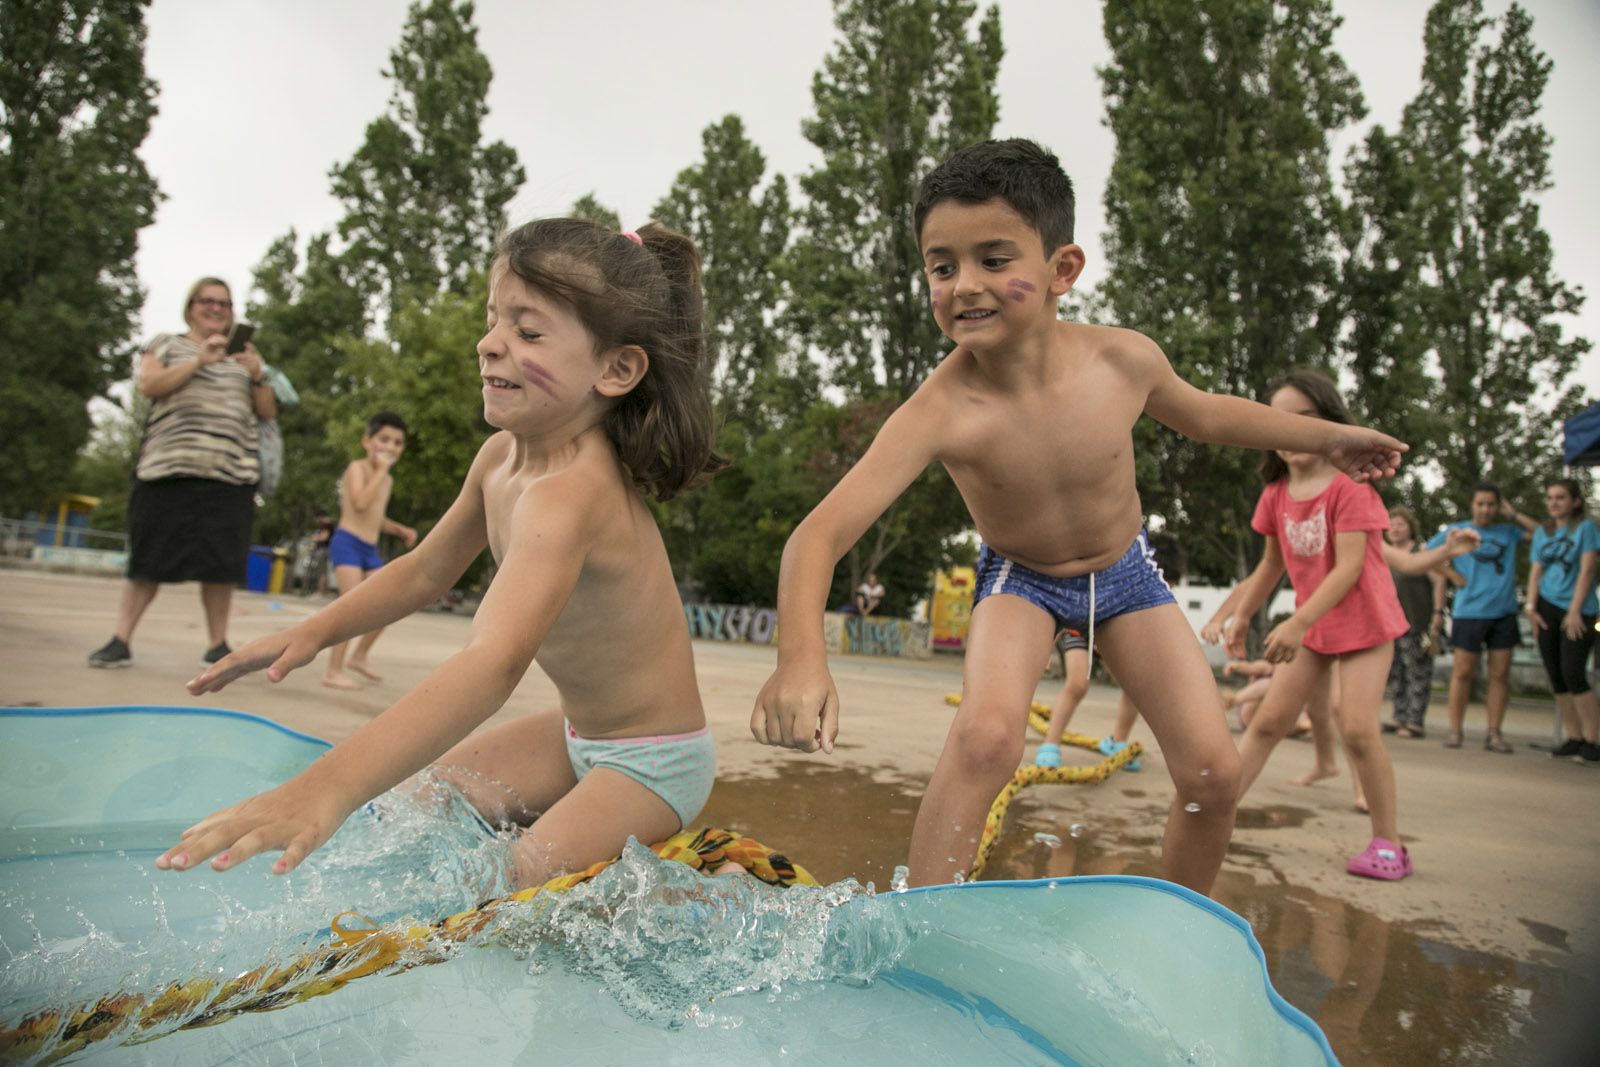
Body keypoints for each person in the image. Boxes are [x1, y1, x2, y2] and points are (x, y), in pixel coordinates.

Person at [749, 139, 1407, 894]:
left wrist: (1332, 438)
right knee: (990, 738)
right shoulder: (940, 408)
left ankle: (1179, 917)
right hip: (1020, 580)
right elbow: (818, 535)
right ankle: (921, 923)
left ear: (1063, 269)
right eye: (941, 266)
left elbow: (1215, 416)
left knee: (1212, 770)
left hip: (1125, 575)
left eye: (995, 260)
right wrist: (800, 657)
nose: (964, 285)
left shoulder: (1121, 362)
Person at [157, 220, 730, 889]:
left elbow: (492, 663)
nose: (490, 344)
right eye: (493, 320)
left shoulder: (571, 495)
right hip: (577, 736)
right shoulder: (500, 459)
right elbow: (427, 569)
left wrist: (325, 786)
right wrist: (311, 631)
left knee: (504, 884)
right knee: (415, 803)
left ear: (617, 368)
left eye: (528, 330)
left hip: (651, 763)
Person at [1221, 371, 1474, 881]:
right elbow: (1271, 565)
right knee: (1269, 720)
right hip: (1314, 627)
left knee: (1358, 729)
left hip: (1364, 623)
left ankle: (1388, 845)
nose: (1290, 430)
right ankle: (1215, 818)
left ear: (1331, 424)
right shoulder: (1275, 493)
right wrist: (1242, 614)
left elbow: (1350, 568)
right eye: (1279, 420)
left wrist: (1296, 622)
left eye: (1304, 419)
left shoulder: (1349, 488)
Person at [88, 278, 277, 669]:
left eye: (224, 304)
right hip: (168, 470)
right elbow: (149, 384)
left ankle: (217, 643)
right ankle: (121, 639)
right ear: (190, 306)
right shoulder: (166, 344)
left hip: (230, 476)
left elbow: (267, 412)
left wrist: (258, 374)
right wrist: (198, 362)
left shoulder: (244, 358)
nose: (216, 309)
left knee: (221, 567)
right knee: (147, 560)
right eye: (208, 301)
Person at [1429, 483, 1538, 752]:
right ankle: (1455, 731)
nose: (1486, 509)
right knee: (1462, 672)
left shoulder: (1508, 531)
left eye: (1491, 504)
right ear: (1472, 505)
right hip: (1469, 612)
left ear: (1498, 506)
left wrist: (1513, 514)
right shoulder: (1458, 531)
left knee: (1500, 674)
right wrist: (1452, 575)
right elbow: (1425, 553)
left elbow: (1544, 535)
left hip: (1503, 612)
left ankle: (1494, 733)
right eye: (1481, 504)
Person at [322, 412, 419, 690]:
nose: (390, 447)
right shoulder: (359, 469)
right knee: (349, 607)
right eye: (384, 440)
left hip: (369, 547)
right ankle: (333, 670)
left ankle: (360, 656)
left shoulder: (386, 481)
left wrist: (400, 529)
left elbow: (375, 517)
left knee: (389, 603)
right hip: (347, 542)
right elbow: (361, 503)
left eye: (398, 443)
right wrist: (379, 472)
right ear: (367, 442)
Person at [1526, 478, 1599, 763]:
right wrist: (1531, 607)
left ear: (1575, 501)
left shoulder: (1586, 529)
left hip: (1578, 609)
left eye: (1561, 498)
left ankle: (1593, 740)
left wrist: (1575, 610)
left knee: (1574, 673)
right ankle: (1574, 736)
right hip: (1546, 606)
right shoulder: (1543, 534)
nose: (1554, 503)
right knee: (1556, 674)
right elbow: (1535, 571)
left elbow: (1587, 570)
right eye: (1550, 498)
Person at [1383, 505, 1443, 739]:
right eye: (1391, 524)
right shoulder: (1385, 553)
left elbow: (1439, 581)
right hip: (1389, 624)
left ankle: (1414, 720)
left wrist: (1438, 613)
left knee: (1416, 671)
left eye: (1400, 524)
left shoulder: (1421, 551)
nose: (1395, 529)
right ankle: (1399, 716)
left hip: (1416, 622)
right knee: (1395, 671)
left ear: (1410, 528)